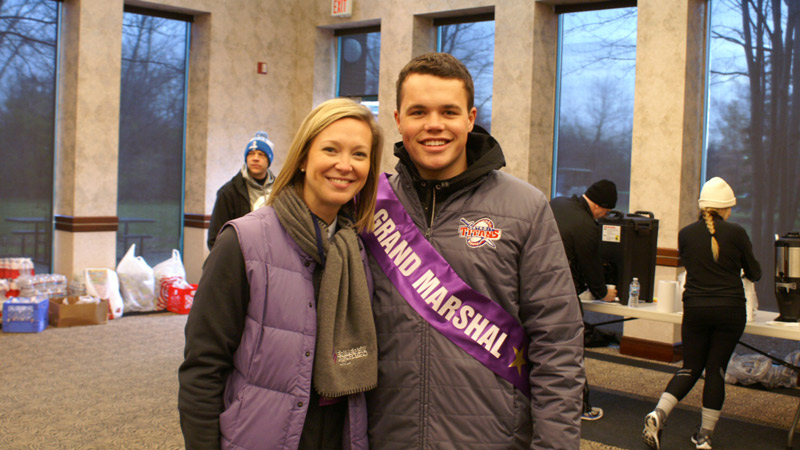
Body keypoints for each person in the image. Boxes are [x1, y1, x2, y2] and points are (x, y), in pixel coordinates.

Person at [362, 52, 584, 449]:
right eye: (418, 112)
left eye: (449, 111)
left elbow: (559, 344)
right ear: (398, 120)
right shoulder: (368, 207)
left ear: (470, 118)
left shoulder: (526, 208)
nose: (434, 125)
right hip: (384, 437)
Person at [178, 98, 383, 450]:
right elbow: (203, 367)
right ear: (303, 157)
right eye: (330, 149)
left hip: (340, 435)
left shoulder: (361, 250)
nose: (344, 165)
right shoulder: (243, 241)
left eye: (360, 155)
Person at [642, 176, 761, 450]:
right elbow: (755, 272)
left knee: (690, 367)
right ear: (725, 209)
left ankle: (658, 413)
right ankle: (704, 436)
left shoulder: (685, 234)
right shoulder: (737, 233)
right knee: (715, 370)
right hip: (730, 310)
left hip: (695, 309)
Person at [550, 179, 619, 421]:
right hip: (561, 295)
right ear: (601, 205)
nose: (604, 217)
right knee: (572, 353)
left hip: (531, 287)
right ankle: (582, 407)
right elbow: (592, 270)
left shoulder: (557, 203)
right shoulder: (587, 226)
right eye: (606, 212)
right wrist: (603, 293)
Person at [206, 131, 277, 250]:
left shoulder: (280, 189)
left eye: (261, 154)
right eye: (251, 154)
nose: (255, 158)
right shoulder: (229, 192)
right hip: (241, 258)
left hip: (272, 257)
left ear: (269, 160)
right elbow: (215, 238)